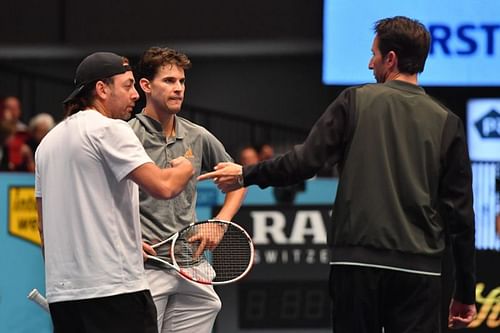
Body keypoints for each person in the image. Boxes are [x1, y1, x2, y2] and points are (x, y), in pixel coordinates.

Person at [198, 16, 476, 333]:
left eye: (374, 54)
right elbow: (461, 217)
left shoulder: (353, 101)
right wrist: (465, 290)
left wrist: (246, 174)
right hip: (420, 273)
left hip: (356, 265)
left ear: (391, 58)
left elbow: (303, 162)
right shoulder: (447, 122)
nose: (370, 64)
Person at [35, 52, 194, 333]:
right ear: (101, 89)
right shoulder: (111, 130)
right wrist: (185, 167)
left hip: (65, 298)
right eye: (128, 85)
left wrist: (124, 245)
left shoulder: (48, 143)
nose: (135, 95)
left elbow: (43, 226)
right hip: (116, 292)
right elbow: (164, 186)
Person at [129, 46, 246, 333]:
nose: (178, 88)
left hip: (190, 266)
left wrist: (220, 224)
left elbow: (237, 182)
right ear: (146, 86)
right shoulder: (127, 136)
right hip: (145, 269)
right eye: (169, 81)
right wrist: (125, 240)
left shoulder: (198, 135)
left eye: (181, 81)